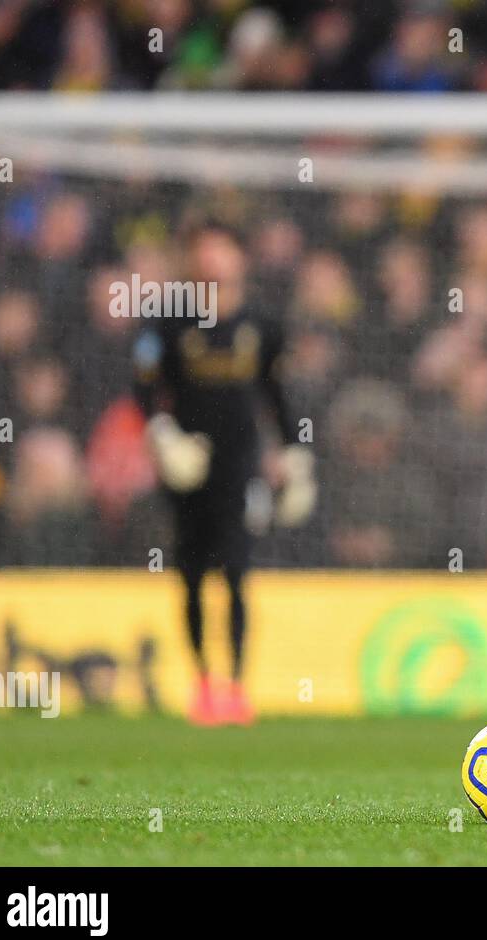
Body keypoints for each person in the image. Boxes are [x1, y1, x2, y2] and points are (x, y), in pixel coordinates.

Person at [133, 222, 315, 725]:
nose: (212, 261)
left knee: (236, 570)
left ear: (239, 258)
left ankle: (235, 684)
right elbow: (144, 387)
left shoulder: (262, 323)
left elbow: (280, 397)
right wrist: (163, 435)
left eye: (221, 250)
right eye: (202, 251)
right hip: (186, 466)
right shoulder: (167, 320)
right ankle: (202, 683)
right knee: (190, 575)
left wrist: (296, 455)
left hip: (240, 466)